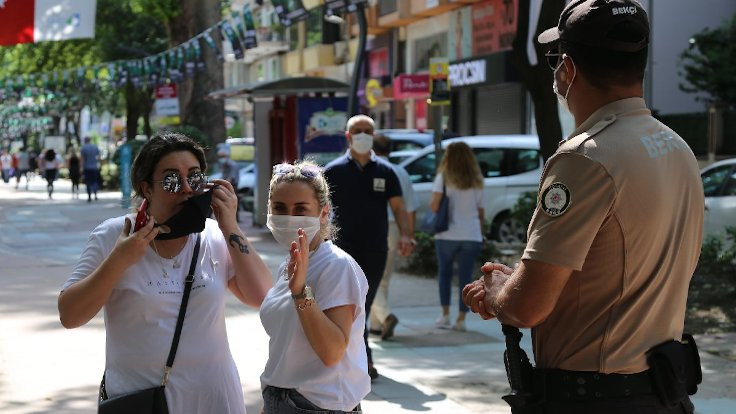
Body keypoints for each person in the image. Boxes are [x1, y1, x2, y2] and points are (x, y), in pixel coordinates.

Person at [463, 1, 703, 413]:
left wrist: (501, 290)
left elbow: (527, 306)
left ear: (569, 70)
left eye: (556, 62)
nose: (556, 75)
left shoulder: (585, 158)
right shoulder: (676, 147)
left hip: (595, 398)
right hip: (663, 394)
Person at [58, 133, 273, 413]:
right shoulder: (114, 235)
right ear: (147, 189)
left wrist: (231, 226)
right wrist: (119, 261)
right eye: (172, 180)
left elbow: (262, 296)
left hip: (214, 396)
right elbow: (70, 315)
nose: (186, 188)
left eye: (194, 178)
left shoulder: (214, 236)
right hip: (142, 399)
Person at [260, 161, 370, 413]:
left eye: (301, 209)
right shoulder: (289, 264)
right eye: (279, 208)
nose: (289, 217)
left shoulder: (337, 266)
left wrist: (301, 292)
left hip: (319, 404)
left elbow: (332, 352)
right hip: (280, 398)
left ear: (323, 212)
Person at [324, 114, 414, 380]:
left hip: (376, 249)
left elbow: (399, 207)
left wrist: (407, 236)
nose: (363, 135)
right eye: (358, 130)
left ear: (374, 135)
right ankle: (362, 360)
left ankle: (358, 358)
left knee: (364, 303)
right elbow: (321, 209)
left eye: (368, 130)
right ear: (348, 136)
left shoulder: (386, 171)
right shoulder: (334, 171)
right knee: (349, 304)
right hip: (341, 250)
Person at [368, 135, 418, 340]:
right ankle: (377, 324)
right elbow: (410, 208)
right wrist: (409, 235)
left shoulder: (371, 169)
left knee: (367, 276)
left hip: (373, 227)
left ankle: (385, 317)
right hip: (395, 227)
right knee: (384, 278)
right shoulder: (401, 172)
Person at [431, 141, 484, 332]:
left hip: (447, 234)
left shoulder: (443, 177)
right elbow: (480, 211)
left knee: (444, 274)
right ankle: (461, 319)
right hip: (471, 234)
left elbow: (435, 206)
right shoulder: (476, 179)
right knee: (466, 278)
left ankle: (445, 315)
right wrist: (482, 232)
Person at [217, 147, 241, 222]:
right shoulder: (224, 165)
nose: (221, 158)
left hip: (232, 186)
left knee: (232, 201)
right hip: (226, 185)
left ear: (227, 156)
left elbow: (230, 179)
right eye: (220, 157)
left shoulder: (232, 165)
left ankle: (234, 219)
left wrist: (220, 185)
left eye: (222, 156)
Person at [80, 136, 101, 202]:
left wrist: (81, 167)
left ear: (85, 141)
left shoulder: (83, 148)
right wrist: (99, 164)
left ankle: (89, 196)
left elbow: (82, 159)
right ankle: (95, 195)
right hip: (95, 167)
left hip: (87, 167)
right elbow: (99, 157)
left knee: (88, 182)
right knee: (95, 181)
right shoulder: (95, 147)